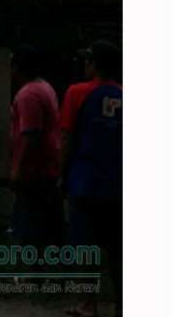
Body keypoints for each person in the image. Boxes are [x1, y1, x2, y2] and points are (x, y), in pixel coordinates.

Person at [61, 41, 122, 317]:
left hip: (85, 182)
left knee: (85, 245)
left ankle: (88, 303)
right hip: (119, 184)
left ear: (95, 64)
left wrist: (61, 174)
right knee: (118, 248)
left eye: (88, 61)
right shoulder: (125, 95)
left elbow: (68, 138)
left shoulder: (76, 93)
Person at [9, 44, 63, 249]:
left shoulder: (28, 95)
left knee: (29, 231)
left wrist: (17, 171)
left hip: (34, 173)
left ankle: (32, 275)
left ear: (18, 67)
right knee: (45, 228)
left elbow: (30, 136)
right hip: (46, 169)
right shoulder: (44, 87)